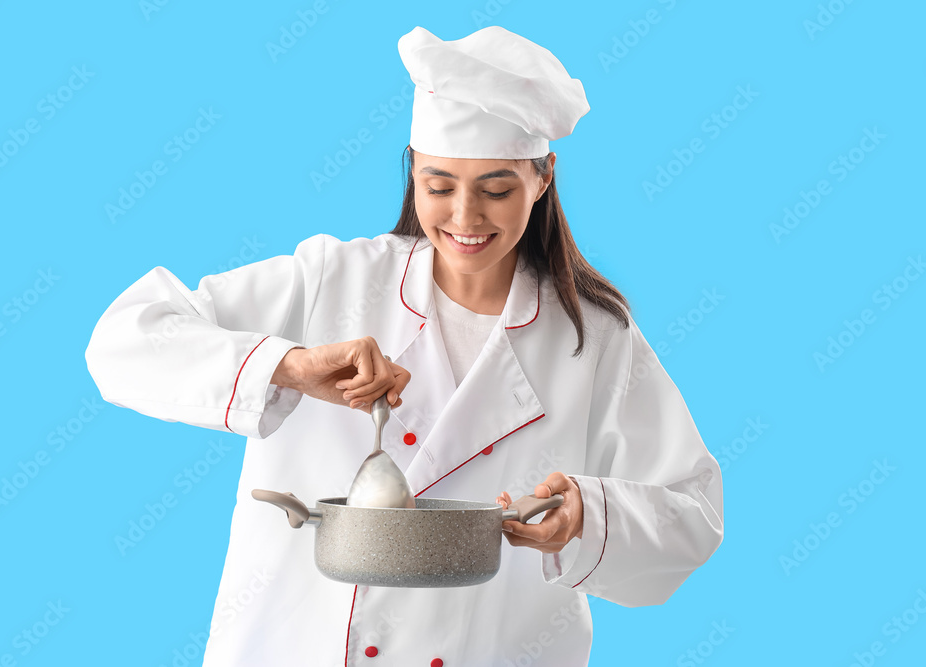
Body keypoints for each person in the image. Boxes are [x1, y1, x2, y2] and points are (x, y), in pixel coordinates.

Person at [85, 25, 723, 667]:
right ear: (412, 171)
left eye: (497, 190)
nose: (466, 218)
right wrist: (288, 365)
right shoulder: (331, 279)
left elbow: (693, 511)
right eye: (439, 187)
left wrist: (589, 514)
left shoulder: (594, 337)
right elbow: (124, 338)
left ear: (543, 178)